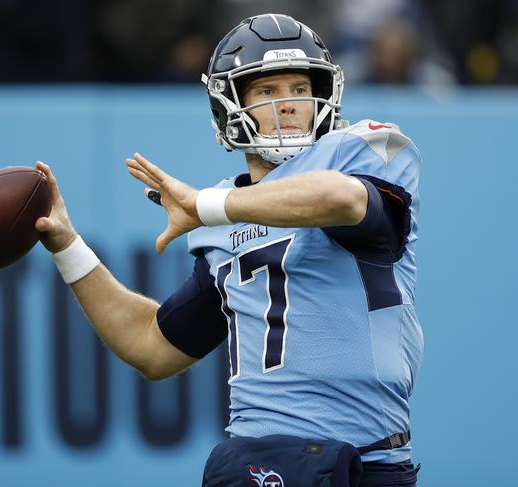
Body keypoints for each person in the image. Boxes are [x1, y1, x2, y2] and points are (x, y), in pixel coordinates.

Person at [35, 13, 423, 487]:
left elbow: (339, 199)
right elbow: (151, 347)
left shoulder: (358, 151)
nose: (290, 104)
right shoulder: (222, 224)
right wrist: (66, 244)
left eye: (300, 87)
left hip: (364, 462)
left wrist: (207, 204)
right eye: (267, 91)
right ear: (230, 105)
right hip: (258, 461)